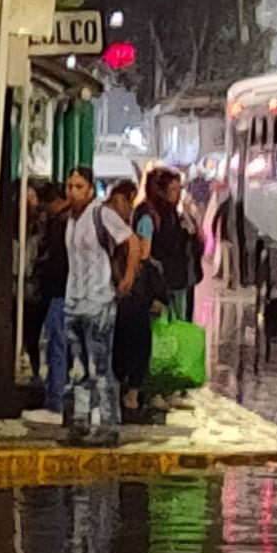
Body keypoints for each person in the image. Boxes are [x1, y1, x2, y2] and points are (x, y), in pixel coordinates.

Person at [59, 169, 136, 446]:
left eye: (79, 186)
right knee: (78, 367)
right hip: (75, 302)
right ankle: (79, 423)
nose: (73, 191)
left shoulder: (100, 215)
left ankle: (108, 424)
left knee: (100, 367)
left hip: (99, 301)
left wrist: (127, 279)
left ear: (90, 189)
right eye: (69, 186)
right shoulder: (71, 219)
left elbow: (131, 242)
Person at [22, 182, 72, 425]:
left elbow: (55, 261)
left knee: (57, 346)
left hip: (60, 292)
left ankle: (55, 403)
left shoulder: (61, 223)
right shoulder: (73, 221)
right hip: (68, 291)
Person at [107, 178, 155, 419]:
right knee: (127, 343)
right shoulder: (120, 227)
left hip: (129, 297)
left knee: (131, 343)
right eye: (125, 201)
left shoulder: (128, 225)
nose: (126, 207)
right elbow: (141, 251)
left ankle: (129, 389)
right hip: (122, 296)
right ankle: (127, 389)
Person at [138, 167, 199, 321]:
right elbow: (146, 251)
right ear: (160, 190)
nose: (177, 194)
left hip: (176, 280)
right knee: (171, 324)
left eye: (179, 189)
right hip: (162, 283)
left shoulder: (170, 213)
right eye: (173, 189)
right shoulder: (150, 215)